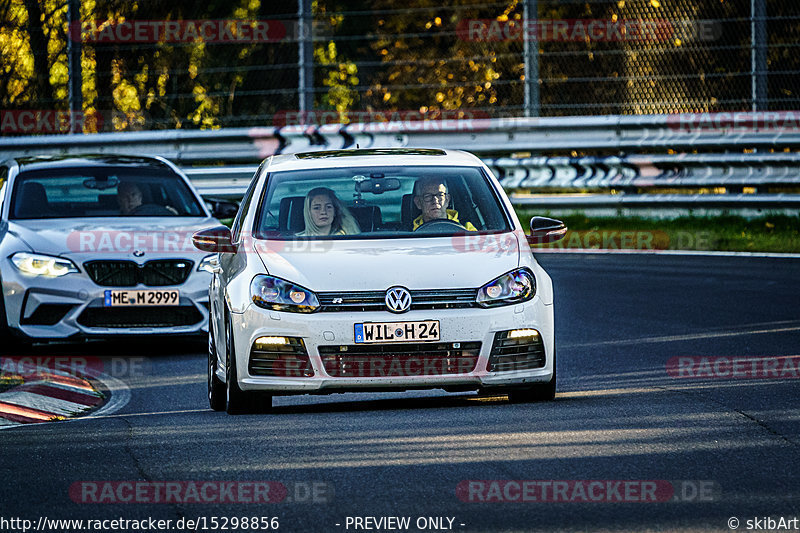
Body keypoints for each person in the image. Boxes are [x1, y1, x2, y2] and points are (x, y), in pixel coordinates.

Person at [411, 177, 476, 231]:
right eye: (428, 196)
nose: (435, 200)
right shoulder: (407, 233)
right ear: (418, 203)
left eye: (440, 195)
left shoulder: (466, 228)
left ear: (447, 200)